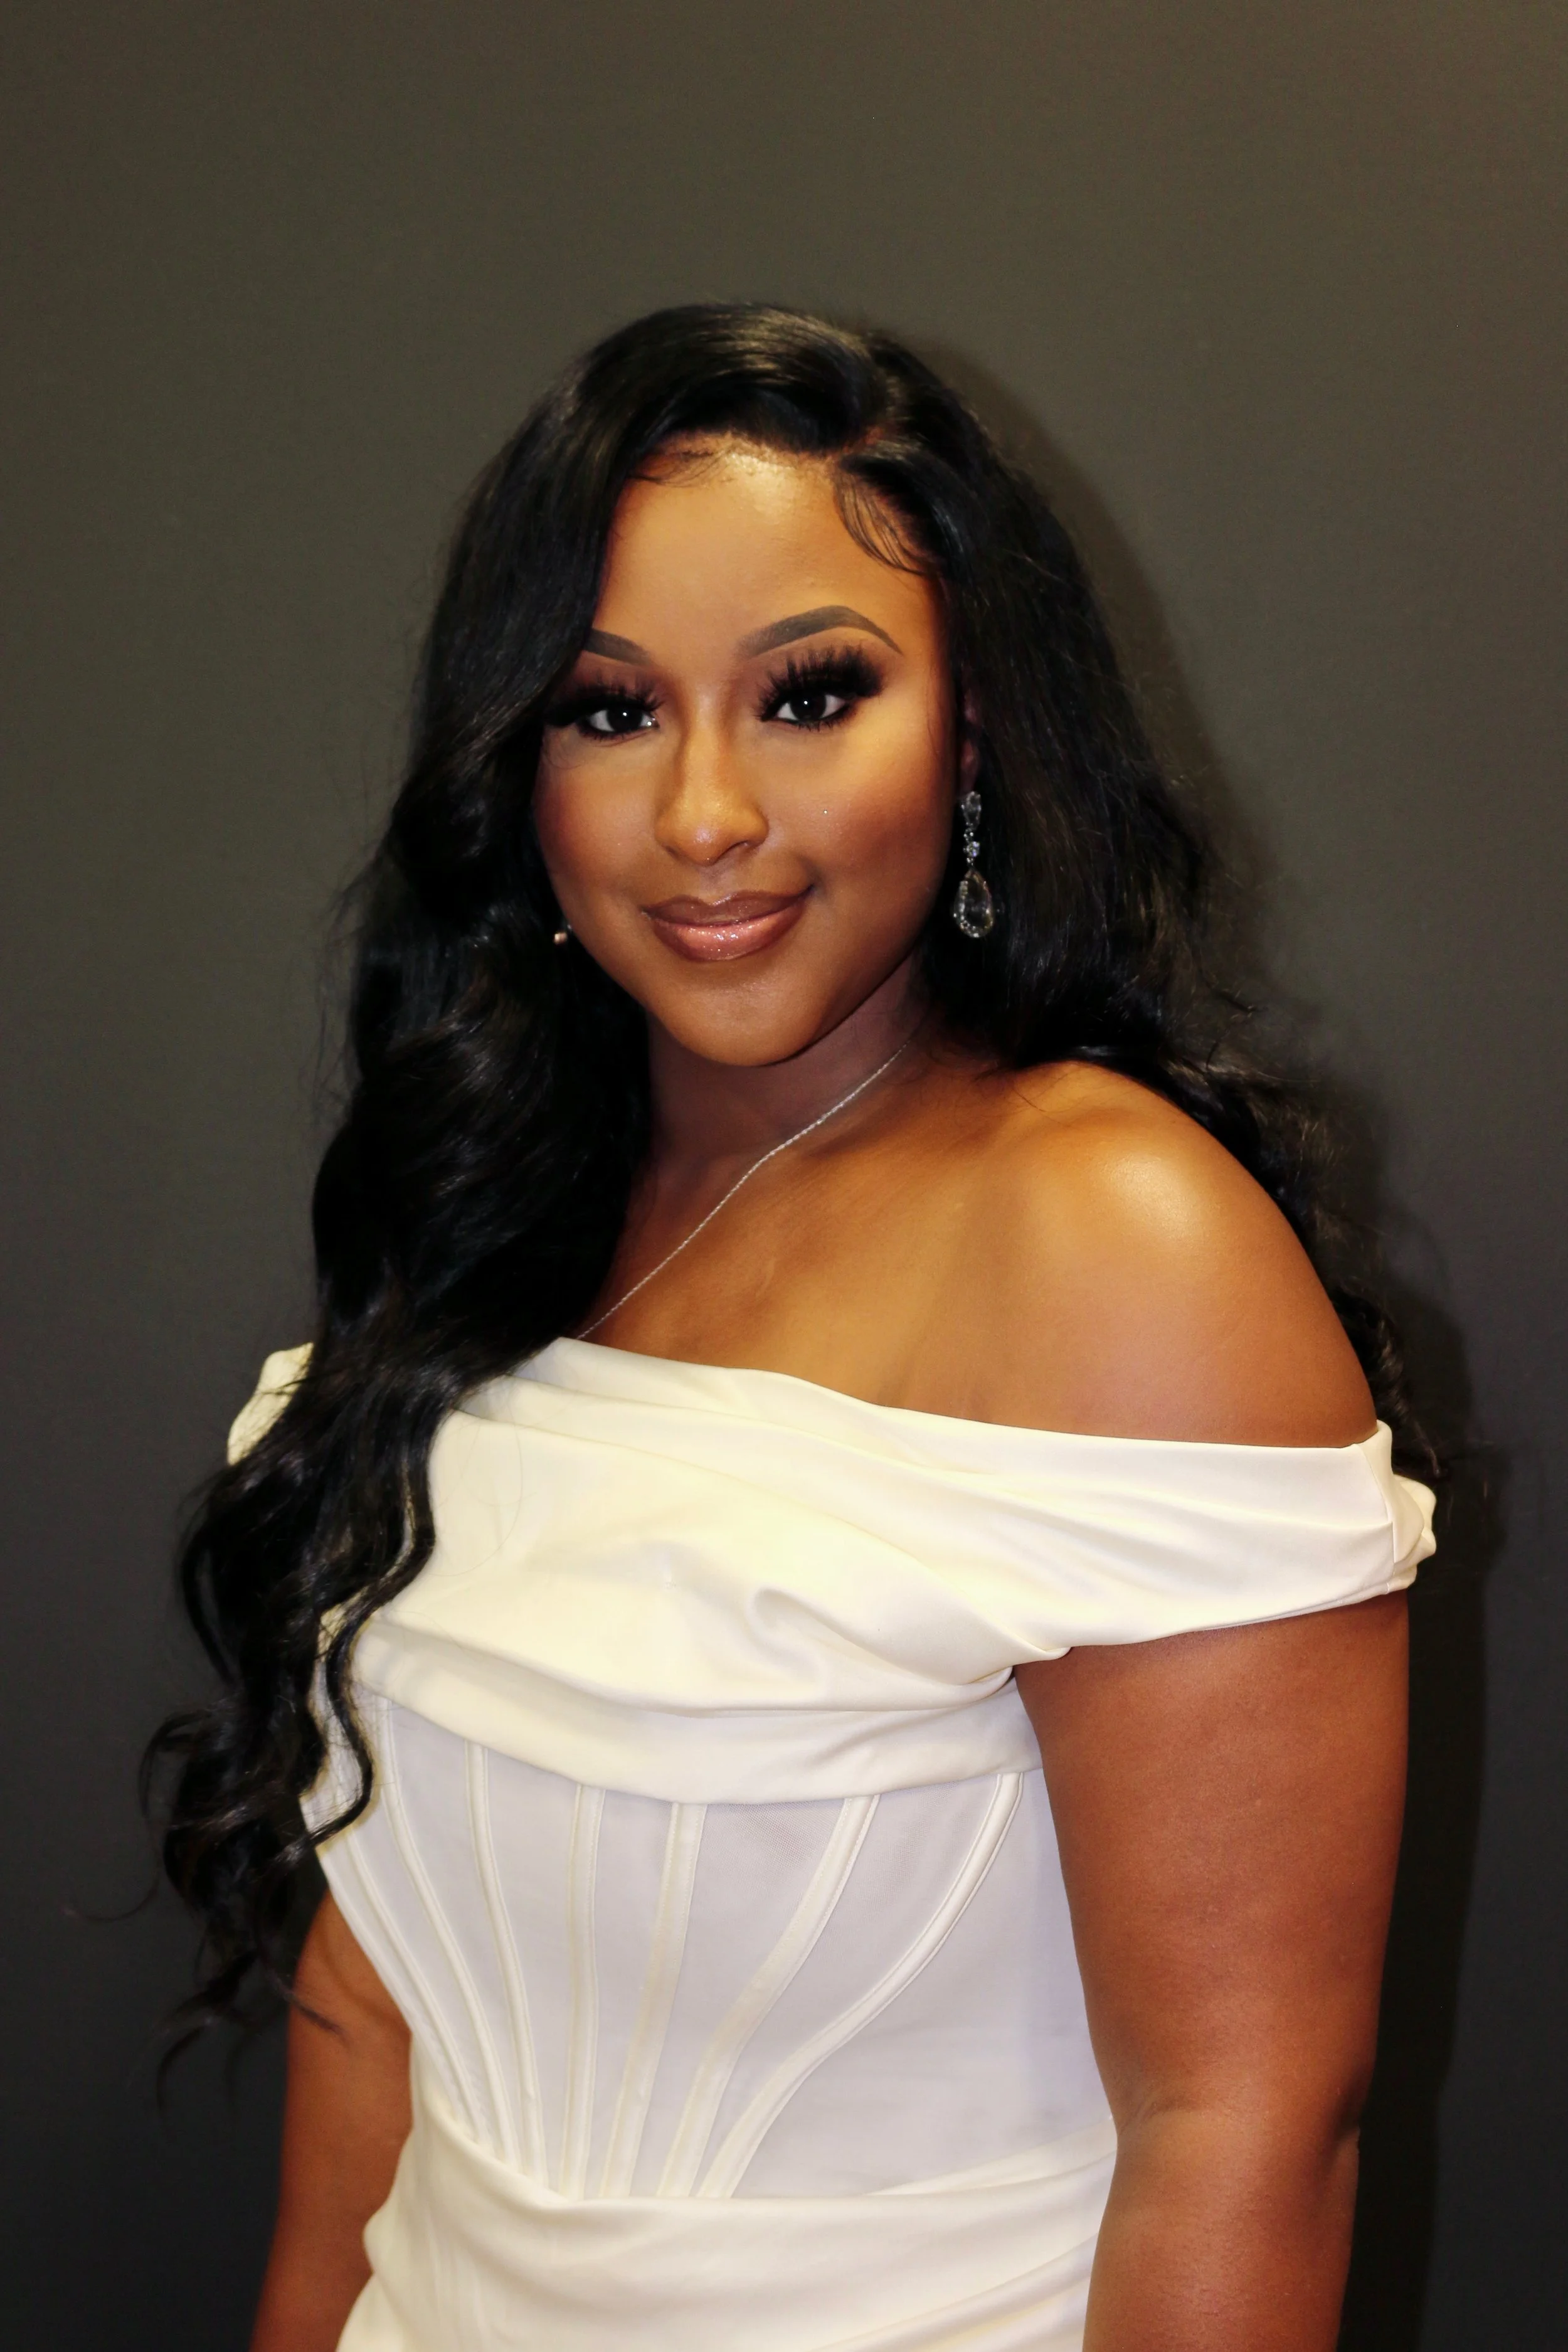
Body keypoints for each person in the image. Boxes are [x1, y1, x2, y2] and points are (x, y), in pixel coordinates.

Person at [152, 304, 1435, 2352]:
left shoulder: (1118, 1245)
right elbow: (378, 2002)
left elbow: (1245, 2127)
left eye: (810, 693)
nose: (707, 815)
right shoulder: (495, 1208)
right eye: (608, 710)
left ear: (980, 726)